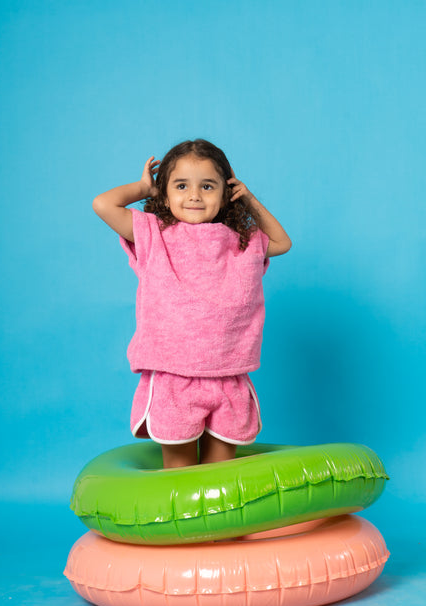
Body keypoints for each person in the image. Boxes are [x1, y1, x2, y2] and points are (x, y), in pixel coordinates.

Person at [93, 139, 291, 468]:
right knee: (180, 473)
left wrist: (249, 199)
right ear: (164, 193)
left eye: (208, 186)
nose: (195, 195)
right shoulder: (153, 234)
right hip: (175, 378)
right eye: (181, 186)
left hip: (227, 377)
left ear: (226, 193)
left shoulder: (242, 243)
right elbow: (103, 204)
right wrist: (144, 188)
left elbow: (282, 242)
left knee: (219, 476)